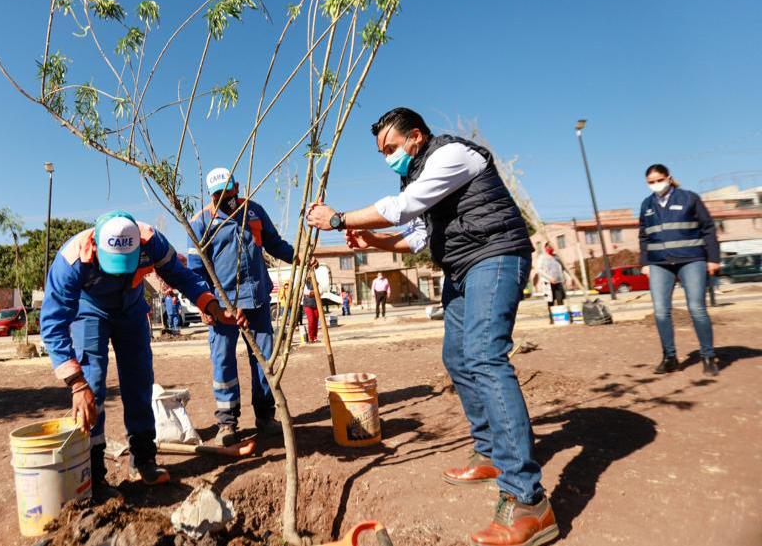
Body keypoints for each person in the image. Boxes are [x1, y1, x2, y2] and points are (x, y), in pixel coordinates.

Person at [307, 107, 556, 546]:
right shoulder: (418, 175)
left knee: (483, 356)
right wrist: (375, 241)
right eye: (381, 152)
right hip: (462, 265)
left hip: (495, 256)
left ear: (416, 137)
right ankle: (492, 454)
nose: (387, 158)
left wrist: (339, 219)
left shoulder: (452, 156)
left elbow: (403, 208)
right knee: (457, 357)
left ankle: (528, 501)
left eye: (390, 148)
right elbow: (419, 236)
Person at [42, 211, 242, 499]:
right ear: (97, 246)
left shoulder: (151, 242)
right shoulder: (72, 260)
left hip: (132, 309)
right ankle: (95, 475)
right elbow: (52, 323)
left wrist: (210, 305)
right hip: (89, 311)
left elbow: (181, 275)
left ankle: (144, 459)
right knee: (92, 386)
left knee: (139, 381)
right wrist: (76, 383)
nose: (121, 271)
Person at [187, 167, 299, 447]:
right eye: (220, 195)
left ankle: (265, 416)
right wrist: (205, 303)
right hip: (223, 306)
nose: (227, 198)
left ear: (237, 187)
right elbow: (195, 270)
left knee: (263, 360)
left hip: (258, 299)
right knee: (223, 360)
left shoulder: (254, 211)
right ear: (211, 194)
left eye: (231, 192)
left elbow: (274, 244)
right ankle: (227, 422)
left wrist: (297, 257)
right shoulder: (201, 222)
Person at [639, 164, 720, 377]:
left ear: (669, 178)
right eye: (651, 182)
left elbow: (708, 228)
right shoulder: (646, 205)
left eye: (659, 180)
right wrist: (645, 262)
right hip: (659, 263)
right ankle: (670, 358)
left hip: (691, 259)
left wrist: (713, 258)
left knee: (696, 308)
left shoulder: (689, 198)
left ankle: (708, 356)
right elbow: (644, 236)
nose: (656, 185)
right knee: (660, 311)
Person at [536, 243, 567, 322]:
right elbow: (539, 269)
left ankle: (561, 317)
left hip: (558, 281)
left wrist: (567, 278)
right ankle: (552, 319)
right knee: (550, 301)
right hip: (548, 283)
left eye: (552, 247)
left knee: (560, 299)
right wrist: (549, 278)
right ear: (545, 247)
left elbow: (562, 268)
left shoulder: (556, 257)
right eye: (549, 247)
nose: (550, 248)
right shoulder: (542, 257)